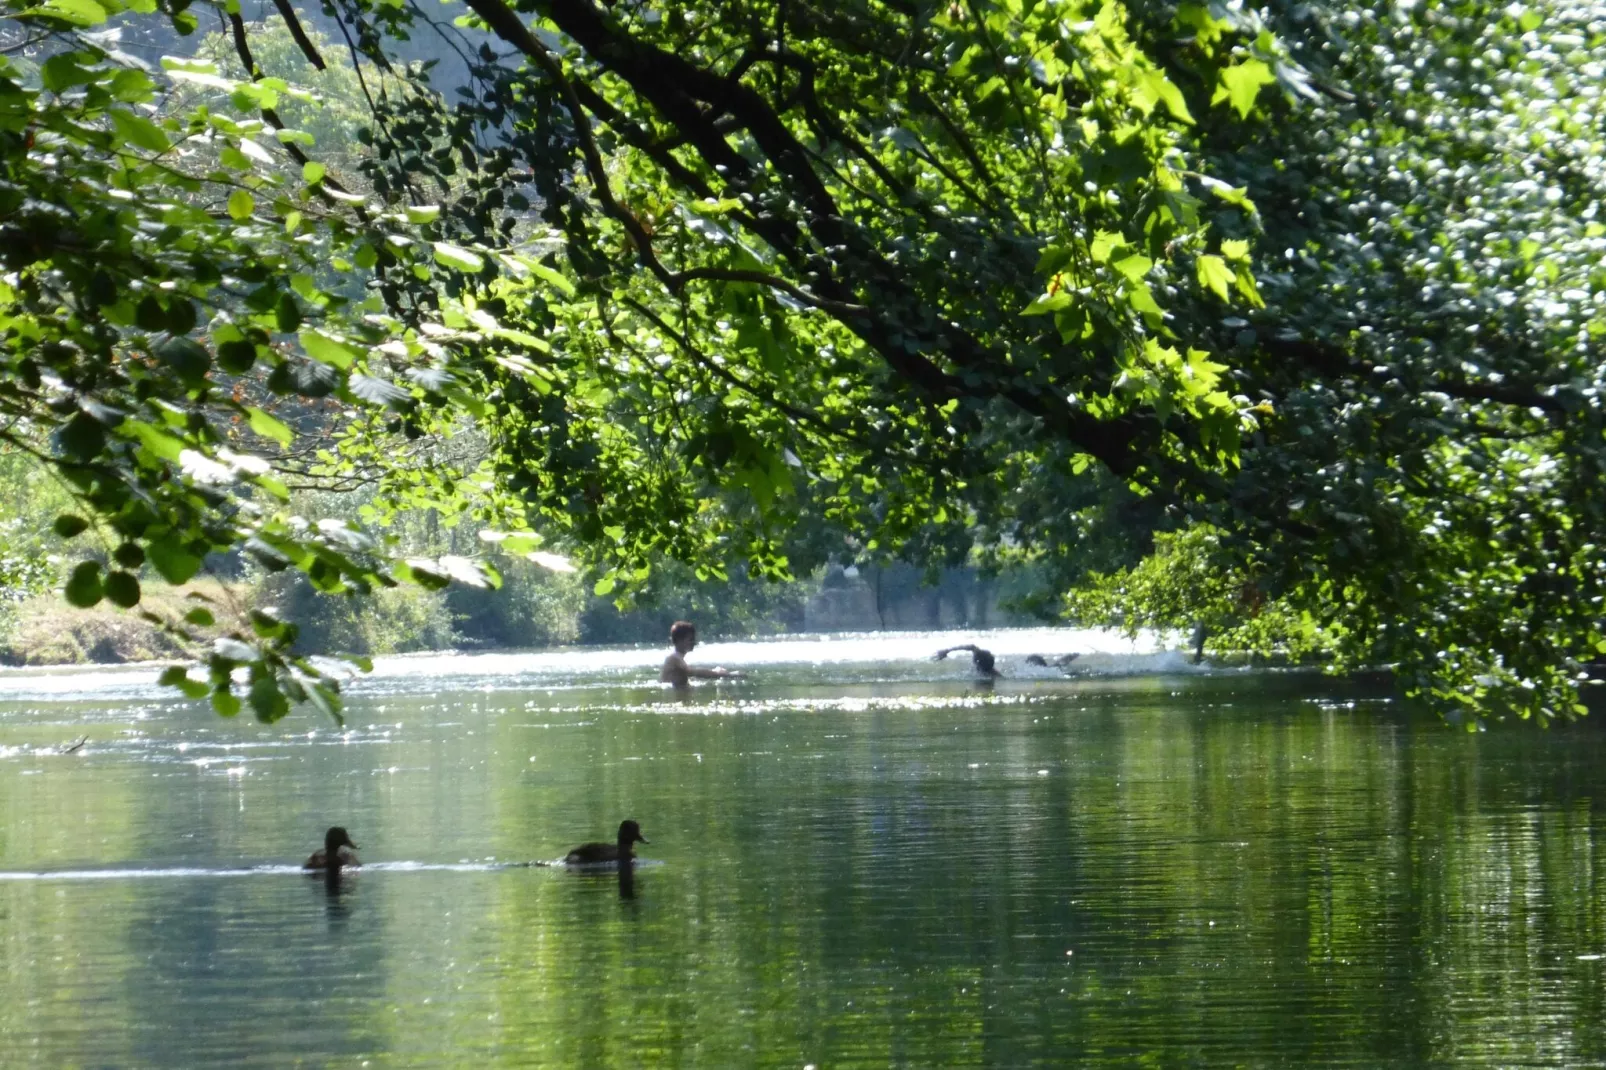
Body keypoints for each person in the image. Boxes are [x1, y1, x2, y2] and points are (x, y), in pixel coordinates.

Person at [660, 620, 742, 686]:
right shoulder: (673, 658)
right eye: (690, 639)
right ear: (679, 640)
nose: (693, 643)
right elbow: (694, 672)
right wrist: (721, 673)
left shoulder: (678, 658)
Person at [933, 643, 999, 677]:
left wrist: (947, 651)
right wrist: (947, 650)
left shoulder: (992, 676)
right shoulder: (980, 655)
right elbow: (971, 646)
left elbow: (971, 647)